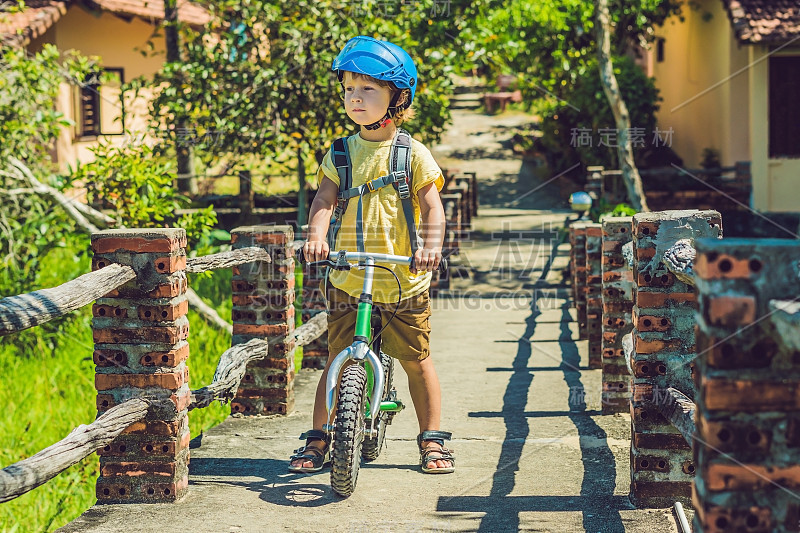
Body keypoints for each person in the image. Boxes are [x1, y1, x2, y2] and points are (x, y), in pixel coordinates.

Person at [288, 36, 455, 475]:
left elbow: (433, 206)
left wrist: (430, 247)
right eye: (348, 90)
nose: (354, 99)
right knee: (339, 357)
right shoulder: (340, 152)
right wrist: (317, 237)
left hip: (403, 279)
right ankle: (320, 435)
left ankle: (432, 439)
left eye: (367, 90)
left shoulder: (412, 153)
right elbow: (324, 200)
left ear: (397, 99)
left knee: (417, 360)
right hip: (349, 275)